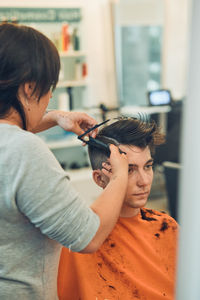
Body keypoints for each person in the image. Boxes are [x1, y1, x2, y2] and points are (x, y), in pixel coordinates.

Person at [0, 23, 129, 299]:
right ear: (29, 87)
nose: (49, 100)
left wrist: (56, 117)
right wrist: (120, 177)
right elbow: (89, 236)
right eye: (48, 90)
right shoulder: (24, 151)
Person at [58, 117, 179, 300]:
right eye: (129, 170)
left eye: (147, 167)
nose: (144, 181)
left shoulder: (167, 227)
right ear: (100, 179)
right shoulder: (76, 239)